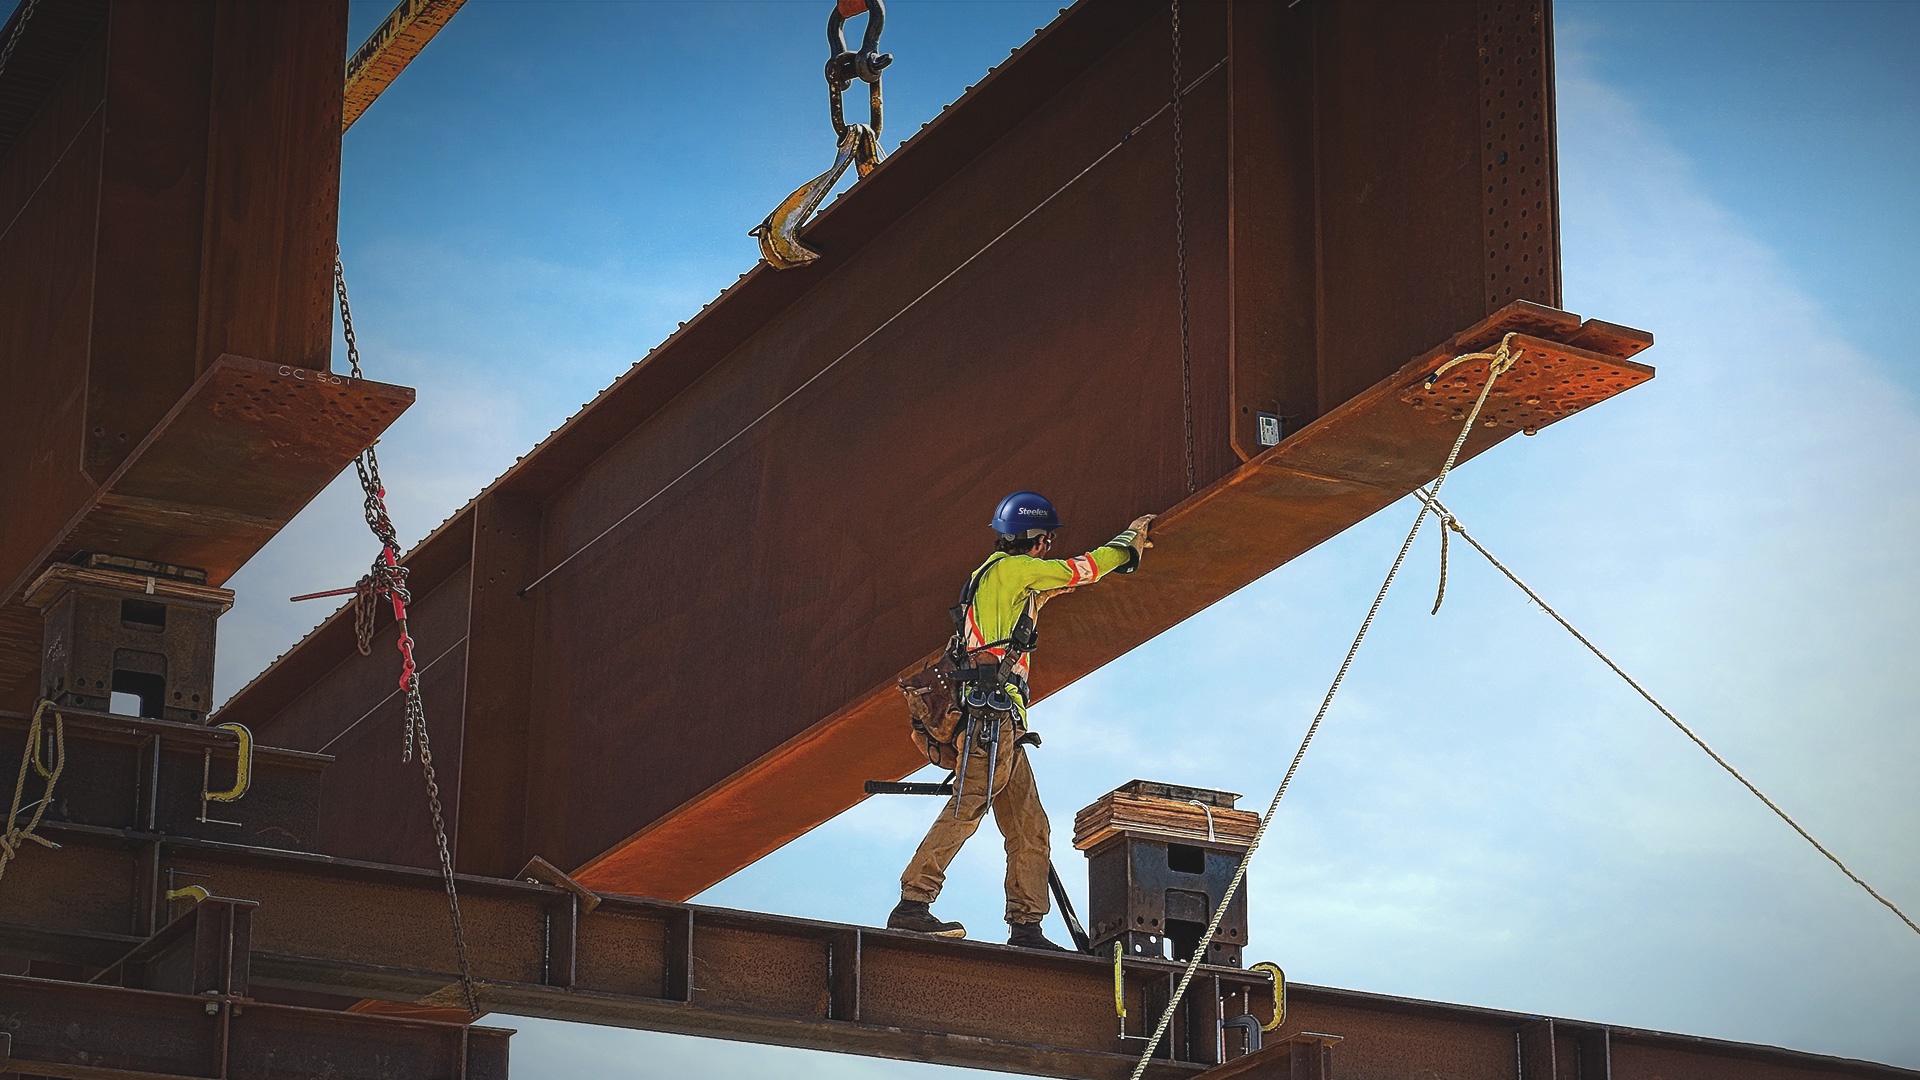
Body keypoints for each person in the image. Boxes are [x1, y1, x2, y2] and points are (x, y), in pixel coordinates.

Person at [887, 491, 1154, 949]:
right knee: (967, 805)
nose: (1047, 549)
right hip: (992, 721)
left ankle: (1027, 926)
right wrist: (1127, 543)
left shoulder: (990, 578)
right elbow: (1080, 570)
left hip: (1001, 722)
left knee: (1029, 826)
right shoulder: (1014, 571)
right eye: (1046, 541)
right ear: (1035, 541)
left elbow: (1051, 589)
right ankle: (913, 903)